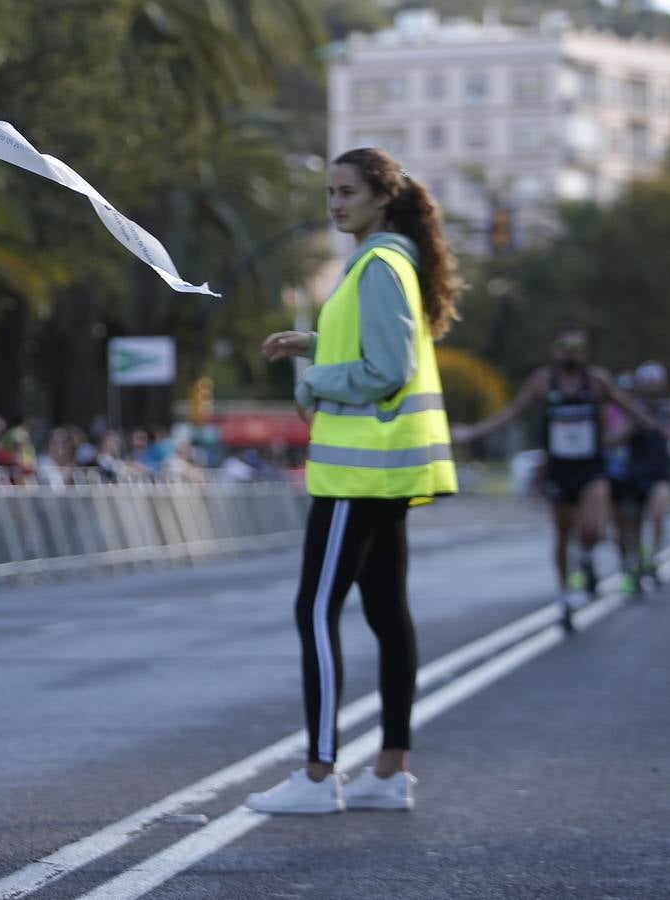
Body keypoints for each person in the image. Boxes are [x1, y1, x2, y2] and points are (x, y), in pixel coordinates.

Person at [246, 147, 459, 815]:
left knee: (314, 610)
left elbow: (387, 369)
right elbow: (375, 348)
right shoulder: (390, 261)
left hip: (355, 473)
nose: (335, 203)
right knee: (385, 614)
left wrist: (315, 380)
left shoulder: (376, 265)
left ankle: (317, 775)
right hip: (380, 471)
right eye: (329, 193)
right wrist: (311, 343)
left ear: (380, 198)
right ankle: (390, 771)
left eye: (346, 192)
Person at [451, 325, 656, 629]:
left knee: (592, 530)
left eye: (577, 347)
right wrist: (472, 432)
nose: (570, 353)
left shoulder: (597, 381)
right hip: (559, 468)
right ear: (555, 350)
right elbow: (511, 413)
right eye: (564, 346)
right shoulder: (544, 382)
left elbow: (632, 413)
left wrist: (635, 432)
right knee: (563, 534)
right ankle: (564, 596)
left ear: (585, 352)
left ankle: (585, 558)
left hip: (591, 468)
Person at [614, 361, 670, 591]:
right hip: (635, 474)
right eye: (648, 382)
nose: (652, 387)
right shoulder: (633, 409)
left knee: (657, 514)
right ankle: (634, 565)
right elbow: (617, 439)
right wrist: (634, 425)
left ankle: (653, 558)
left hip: (660, 473)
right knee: (631, 524)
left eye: (656, 382)